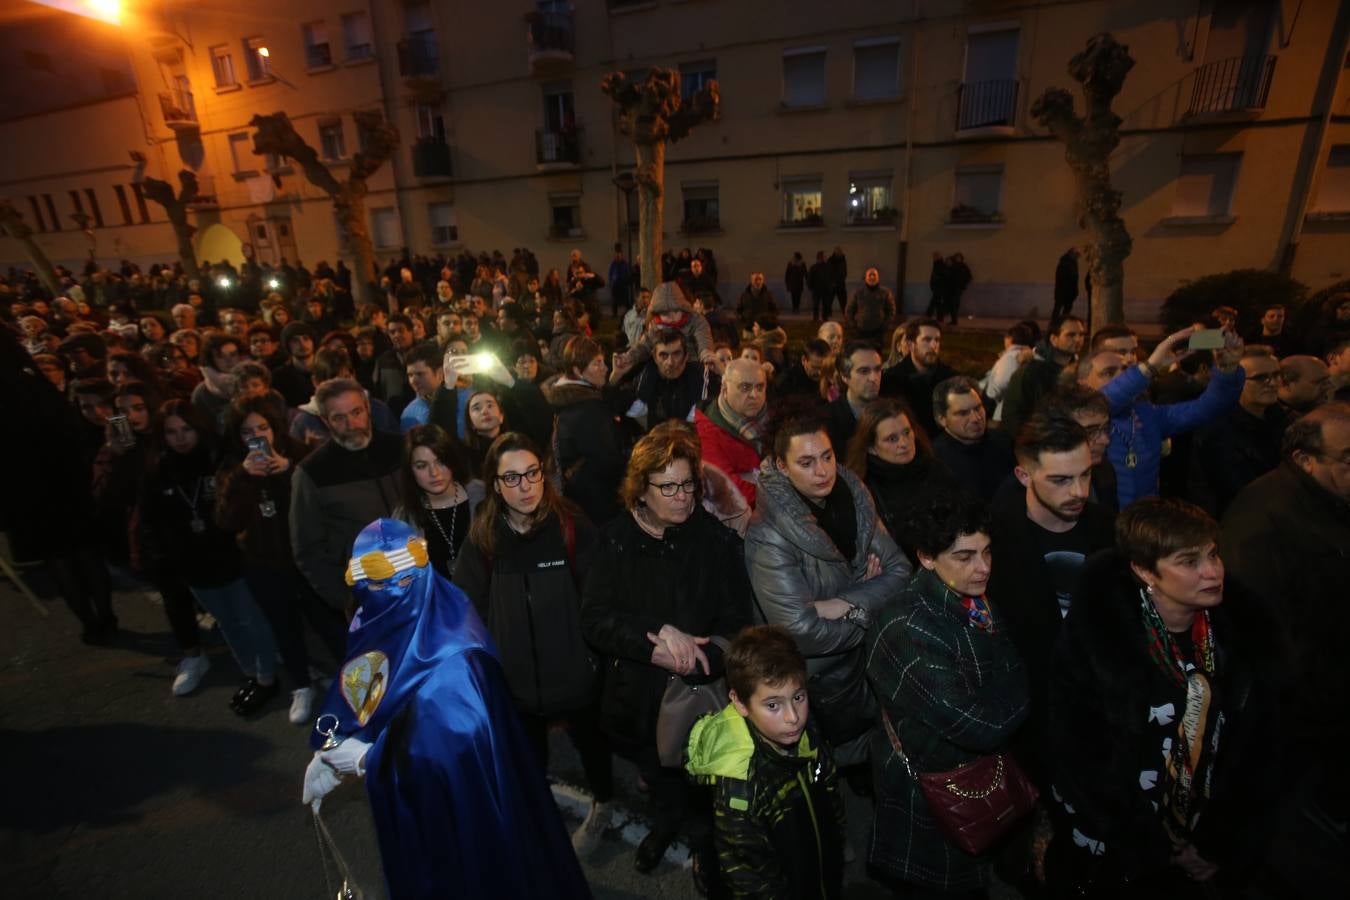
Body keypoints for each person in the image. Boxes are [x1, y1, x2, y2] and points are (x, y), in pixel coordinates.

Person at [300, 519, 593, 900]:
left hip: (464, 820)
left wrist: (367, 761)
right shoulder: (385, 619)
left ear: (416, 576)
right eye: (373, 587)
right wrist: (334, 742)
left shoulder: (458, 663)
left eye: (400, 582)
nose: (385, 595)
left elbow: (454, 762)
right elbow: (374, 687)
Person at [1045, 499, 1280, 896]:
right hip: (1121, 834)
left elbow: (1258, 750)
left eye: (1213, 554)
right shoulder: (1099, 639)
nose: (1212, 571)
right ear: (1144, 571)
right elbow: (1079, 755)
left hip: (1204, 828)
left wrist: (1216, 840)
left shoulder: (1240, 634)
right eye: (1189, 562)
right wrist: (1149, 843)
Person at [581, 424, 752, 882]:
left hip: (699, 692)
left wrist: (704, 659)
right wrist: (652, 642)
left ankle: (704, 842)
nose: (682, 497)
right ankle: (666, 823)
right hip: (636, 694)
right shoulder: (615, 540)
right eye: (668, 487)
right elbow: (595, 619)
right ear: (641, 489)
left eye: (688, 484)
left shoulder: (715, 541)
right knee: (656, 772)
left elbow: (738, 620)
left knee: (701, 778)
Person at [453, 433, 615, 856]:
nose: (525, 486)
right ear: (494, 484)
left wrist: (592, 661)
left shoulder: (571, 526)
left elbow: (599, 600)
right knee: (529, 757)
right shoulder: (484, 536)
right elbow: (468, 605)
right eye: (511, 478)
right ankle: (538, 816)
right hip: (517, 682)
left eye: (532, 473)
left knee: (592, 746)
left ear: (544, 474)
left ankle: (603, 804)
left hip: (576, 676)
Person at [865, 494, 1028, 896]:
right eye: (965, 556)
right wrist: (1018, 696)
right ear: (926, 557)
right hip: (931, 791)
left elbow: (1012, 670)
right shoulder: (907, 627)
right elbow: (981, 726)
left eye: (987, 552)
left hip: (966, 778)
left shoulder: (971, 599)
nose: (983, 567)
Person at [1220, 403, 1349, 895]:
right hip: (1302, 703)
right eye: (1348, 458)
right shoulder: (1264, 518)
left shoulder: (1327, 501)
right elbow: (1261, 627)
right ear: (1304, 459)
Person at [746, 415, 910, 770]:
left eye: (827, 456)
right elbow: (800, 630)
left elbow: (900, 570)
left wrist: (842, 603)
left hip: (872, 665)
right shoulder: (767, 535)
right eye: (806, 463)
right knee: (844, 769)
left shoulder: (855, 496)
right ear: (782, 467)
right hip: (822, 682)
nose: (822, 471)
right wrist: (869, 601)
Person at [988, 414, 1115, 790]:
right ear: (1023, 475)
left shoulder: (1109, 528)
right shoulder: (994, 540)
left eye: (1085, 475)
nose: (1078, 491)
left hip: (1100, 709)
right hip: (1030, 717)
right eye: (1060, 480)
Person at [141, 399, 282, 715]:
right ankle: (251, 672)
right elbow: (151, 518)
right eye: (172, 432)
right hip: (192, 564)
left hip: (232, 556)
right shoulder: (158, 470)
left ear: (200, 429)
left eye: (187, 429)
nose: (180, 438)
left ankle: (266, 678)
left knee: (251, 618)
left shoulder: (220, 459)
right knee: (228, 623)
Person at [685, 625, 846, 900]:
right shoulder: (740, 790)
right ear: (740, 703)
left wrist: (837, 844)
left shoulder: (809, 732)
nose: (793, 717)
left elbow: (832, 798)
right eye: (773, 705)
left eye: (798, 697)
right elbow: (749, 877)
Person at [216, 393, 348, 725]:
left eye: (263, 428)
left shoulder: (300, 456)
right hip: (263, 564)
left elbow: (327, 501)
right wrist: (244, 478)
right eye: (247, 432)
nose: (257, 437)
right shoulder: (232, 469)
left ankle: (356, 680)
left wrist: (290, 470)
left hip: (306, 561)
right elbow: (227, 521)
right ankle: (301, 686)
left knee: (329, 624)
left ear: (275, 427)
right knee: (284, 628)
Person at [1097, 326, 1244, 508]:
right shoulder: (1074, 416)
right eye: (1118, 353)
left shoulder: (1147, 413)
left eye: (1132, 352)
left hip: (1145, 520)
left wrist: (1227, 370)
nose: (1129, 360)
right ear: (1083, 379)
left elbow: (1208, 407)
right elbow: (1097, 404)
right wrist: (1150, 367)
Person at [290, 378, 402, 614]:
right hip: (366, 595)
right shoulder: (312, 473)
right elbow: (308, 549)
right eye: (339, 418)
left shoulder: (401, 448)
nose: (351, 424)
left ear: (368, 408)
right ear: (325, 421)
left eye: (356, 412)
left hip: (419, 576)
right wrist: (347, 600)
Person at [845, 398, 956, 565]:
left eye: (907, 432)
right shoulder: (862, 490)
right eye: (892, 439)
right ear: (871, 448)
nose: (904, 443)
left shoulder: (935, 469)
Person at [543, 336, 629, 526]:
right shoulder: (589, 409)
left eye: (603, 362)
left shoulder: (566, 399)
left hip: (575, 494)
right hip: (597, 499)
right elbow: (608, 460)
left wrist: (615, 378)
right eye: (597, 363)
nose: (605, 368)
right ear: (577, 370)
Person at [1195, 349, 1290, 515]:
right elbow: (1238, 489)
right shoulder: (1216, 428)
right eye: (1260, 377)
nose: (1273, 383)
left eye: (1277, 375)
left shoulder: (1282, 417)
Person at [392, 424, 484, 578]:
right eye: (422, 466)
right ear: (410, 471)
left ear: (451, 460)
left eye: (440, 461)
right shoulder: (405, 515)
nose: (434, 473)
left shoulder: (483, 496)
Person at [694, 358, 769, 507]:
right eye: (745, 387)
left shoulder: (776, 419)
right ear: (724, 389)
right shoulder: (706, 431)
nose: (754, 395)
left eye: (760, 387)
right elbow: (729, 490)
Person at [930, 375, 1015, 503]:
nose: (976, 418)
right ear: (941, 419)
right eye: (963, 413)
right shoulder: (935, 461)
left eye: (978, 408)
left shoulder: (1003, 440)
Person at [999, 316, 1086, 438]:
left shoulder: (1081, 371)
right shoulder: (1031, 372)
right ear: (1054, 339)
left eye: (1081, 335)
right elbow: (1012, 416)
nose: (1078, 339)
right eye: (1070, 335)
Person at [1041, 385, 1118, 512]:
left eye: (1105, 428)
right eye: (1091, 432)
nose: (1105, 440)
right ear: (1058, 432)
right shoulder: (1025, 491)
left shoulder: (1104, 471)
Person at [881, 317, 956, 440]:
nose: (933, 345)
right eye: (927, 340)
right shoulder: (891, 380)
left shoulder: (950, 378)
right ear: (911, 344)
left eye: (937, 340)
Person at [824, 340, 883, 454]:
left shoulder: (894, 413)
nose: (874, 378)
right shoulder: (828, 419)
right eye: (864, 371)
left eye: (877, 369)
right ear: (844, 376)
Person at [270, 322, 319, 407]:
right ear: (287, 345)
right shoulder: (279, 376)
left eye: (306, 338)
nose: (302, 344)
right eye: (295, 340)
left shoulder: (328, 369)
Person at [844, 266, 896, 347]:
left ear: (878, 278)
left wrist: (885, 326)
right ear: (865, 278)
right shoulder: (857, 293)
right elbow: (849, 311)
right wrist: (853, 327)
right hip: (860, 331)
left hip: (878, 332)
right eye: (870, 275)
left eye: (874, 275)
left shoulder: (885, 293)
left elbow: (891, 311)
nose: (872, 277)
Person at [1052, 248, 1080, 324]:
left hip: (1065, 292)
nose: (1077, 257)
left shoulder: (1067, 264)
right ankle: (1057, 324)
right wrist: (1073, 291)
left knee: (1060, 310)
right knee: (1061, 310)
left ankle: (1056, 324)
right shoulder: (1068, 265)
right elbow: (1070, 279)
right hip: (1066, 292)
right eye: (1076, 255)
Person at [944, 252, 972, 325]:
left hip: (957, 288)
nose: (958, 259)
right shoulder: (952, 266)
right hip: (951, 288)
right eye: (957, 257)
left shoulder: (963, 266)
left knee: (954, 304)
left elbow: (969, 276)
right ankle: (953, 319)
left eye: (959, 257)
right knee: (953, 304)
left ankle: (954, 320)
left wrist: (963, 284)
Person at [808, 251, 833, 322]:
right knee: (816, 305)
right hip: (816, 289)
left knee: (826, 305)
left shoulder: (828, 267)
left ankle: (825, 318)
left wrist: (830, 286)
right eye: (824, 257)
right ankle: (815, 318)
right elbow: (810, 278)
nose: (826, 258)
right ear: (820, 258)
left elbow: (831, 277)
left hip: (826, 289)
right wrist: (811, 287)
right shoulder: (814, 267)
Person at [925, 252, 949, 318]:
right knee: (937, 303)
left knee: (934, 302)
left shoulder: (940, 265)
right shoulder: (937, 264)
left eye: (935, 256)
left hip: (939, 287)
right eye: (934, 256)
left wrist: (937, 279)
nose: (934, 258)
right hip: (937, 287)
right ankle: (939, 317)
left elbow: (943, 276)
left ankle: (929, 315)